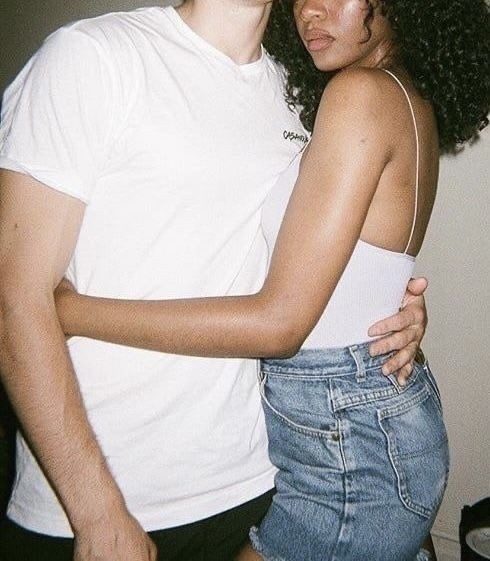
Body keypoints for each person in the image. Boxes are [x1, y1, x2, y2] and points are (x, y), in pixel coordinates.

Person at [50, 0, 490, 560]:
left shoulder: (361, 94)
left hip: (348, 445)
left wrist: (71, 310)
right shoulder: (401, 95)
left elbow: (279, 325)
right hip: (369, 418)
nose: (311, 10)